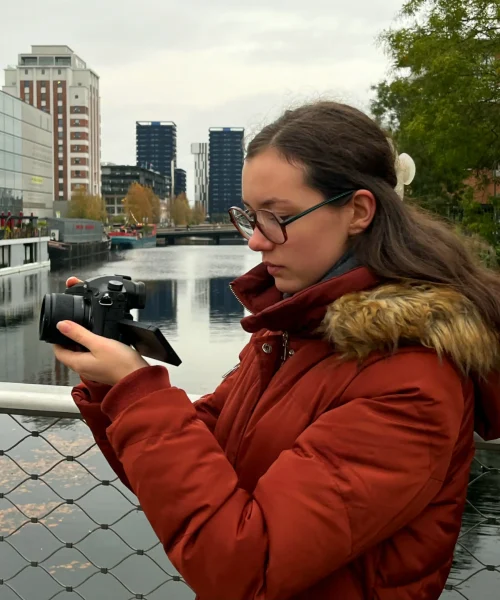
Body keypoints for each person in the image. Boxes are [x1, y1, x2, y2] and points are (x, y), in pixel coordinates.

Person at [53, 101, 500, 600]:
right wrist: (111, 383)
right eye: (250, 217)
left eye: (278, 218)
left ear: (357, 211)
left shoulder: (410, 375)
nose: (256, 242)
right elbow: (191, 476)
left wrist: (138, 393)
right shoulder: (292, 330)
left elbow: (245, 567)